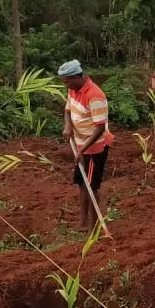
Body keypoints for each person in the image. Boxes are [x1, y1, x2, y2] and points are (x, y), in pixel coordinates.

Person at [59, 59, 114, 233]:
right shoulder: (73, 89)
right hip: (80, 145)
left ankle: (93, 227)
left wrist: (82, 150)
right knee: (82, 183)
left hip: (94, 148)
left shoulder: (95, 95)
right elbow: (68, 110)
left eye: (67, 81)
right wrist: (68, 126)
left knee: (91, 186)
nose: (65, 84)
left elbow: (99, 128)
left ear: (76, 77)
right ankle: (82, 222)